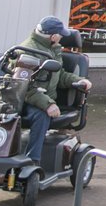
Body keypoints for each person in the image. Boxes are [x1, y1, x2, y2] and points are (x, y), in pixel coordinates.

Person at [10, 16, 94, 162]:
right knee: (41, 115)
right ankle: (32, 161)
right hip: (23, 101)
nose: (62, 37)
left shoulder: (52, 49)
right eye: (60, 34)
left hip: (39, 98)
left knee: (42, 112)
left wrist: (79, 80)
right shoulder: (29, 52)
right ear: (53, 36)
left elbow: (59, 75)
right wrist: (48, 104)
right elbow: (22, 85)